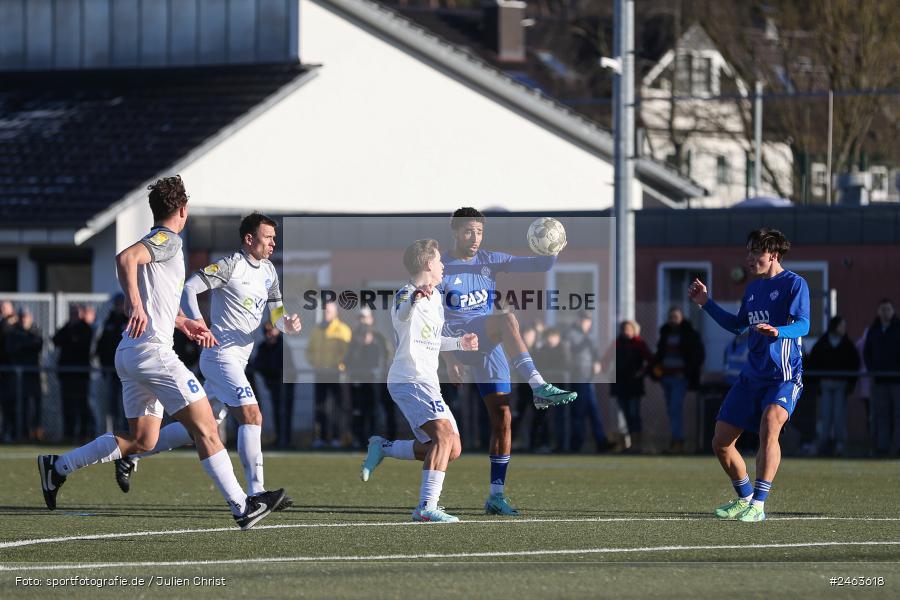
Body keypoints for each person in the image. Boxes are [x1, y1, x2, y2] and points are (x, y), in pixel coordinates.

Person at [37, 175, 284, 530]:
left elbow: (158, 298)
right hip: (154, 353)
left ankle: (58, 467)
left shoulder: (161, 242)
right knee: (207, 428)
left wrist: (183, 322)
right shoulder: (168, 240)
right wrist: (134, 304)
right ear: (182, 210)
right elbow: (125, 259)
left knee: (143, 439)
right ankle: (242, 507)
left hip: (132, 353)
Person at [114, 212, 302, 508]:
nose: (273, 243)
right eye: (268, 237)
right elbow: (190, 287)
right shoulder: (230, 266)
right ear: (249, 239)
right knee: (252, 415)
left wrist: (285, 324)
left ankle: (132, 454)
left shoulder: (268, 272)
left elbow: (277, 312)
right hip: (220, 356)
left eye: (274, 238)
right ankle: (256, 493)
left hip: (238, 361)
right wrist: (199, 324)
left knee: (200, 428)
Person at [440, 207, 576, 516]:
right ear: (455, 232)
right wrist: (448, 358)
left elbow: (539, 265)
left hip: (489, 345)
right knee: (507, 319)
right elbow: (432, 319)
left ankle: (496, 496)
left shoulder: (489, 260)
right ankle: (538, 385)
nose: (474, 238)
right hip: (462, 337)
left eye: (479, 232)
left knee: (503, 417)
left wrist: (554, 248)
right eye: (468, 231)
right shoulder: (441, 267)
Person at [690, 227, 810, 522]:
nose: (749, 257)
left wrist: (779, 331)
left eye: (756, 251)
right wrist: (707, 304)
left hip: (783, 376)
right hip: (751, 377)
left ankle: (758, 503)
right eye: (748, 251)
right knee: (721, 442)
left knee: (770, 424)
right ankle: (744, 499)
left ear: (774, 254)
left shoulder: (795, 284)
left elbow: (804, 325)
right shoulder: (753, 289)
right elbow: (738, 326)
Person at [360, 239, 477, 522]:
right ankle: (426, 506)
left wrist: (460, 343)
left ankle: (384, 447)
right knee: (443, 437)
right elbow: (402, 311)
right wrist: (414, 299)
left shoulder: (435, 297)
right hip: (409, 379)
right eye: (439, 261)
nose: (443, 265)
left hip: (427, 381)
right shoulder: (405, 294)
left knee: (453, 448)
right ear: (427, 264)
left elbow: (433, 340)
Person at [655, 307, 705, 454]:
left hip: (680, 378)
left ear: (682, 318)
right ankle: (675, 440)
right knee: (671, 410)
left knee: (675, 409)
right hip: (666, 378)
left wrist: (687, 371)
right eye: (671, 317)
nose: (673, 320)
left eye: (676, 317)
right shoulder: (665, 333)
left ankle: (678, 442)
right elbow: (660, 353)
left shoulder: (690, 334)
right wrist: (656, 371)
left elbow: (698, 355)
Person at [808, 316, 859, 456]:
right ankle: (823, 443)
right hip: (825, 384)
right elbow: (814, 361)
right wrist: (816, 382)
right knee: (825, 415)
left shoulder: (847, 344)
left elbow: (854, 363)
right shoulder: (823, 343)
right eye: (841, 326)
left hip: (841, 384)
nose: (843, 329)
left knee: (839, 415)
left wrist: (850, 384)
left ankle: (839, 444)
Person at [602, 320, 653, 453]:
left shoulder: (639, 343)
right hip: (620, 384)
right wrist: (608, 375)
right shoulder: (616, 343)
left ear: (634, 330)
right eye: (624, 329)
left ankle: (636, 444)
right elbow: (605, 360)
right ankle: (625, 443)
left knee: (633, 413)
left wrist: (642, 372)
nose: (626, 331)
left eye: (628, 329)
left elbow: (650, 360)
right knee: (623, 416)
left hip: (634, 385)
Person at [565, 311, 612, 453]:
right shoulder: (570, 335)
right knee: (578, 412)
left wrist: (597, 363)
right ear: (578, 320)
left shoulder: (590, 338)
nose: (587, 323)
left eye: (589, 321)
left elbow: (596, 356)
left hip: (588, 380)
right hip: (578, 380)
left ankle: (601, 442)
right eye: (585, 320)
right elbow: (566, 356)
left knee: (594, 412)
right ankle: (577, 444)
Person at [306, 301, 352, 448]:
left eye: (329, 311)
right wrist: (316, 364)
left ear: (335, 312)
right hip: (320, 373)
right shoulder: (316, 330)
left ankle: (337, 438)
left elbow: (346, 352)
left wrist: (334, 365)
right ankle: (321, 438)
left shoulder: (343, 329)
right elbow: (309, 351)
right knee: (320, 406)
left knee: (338, 407)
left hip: (336, 373)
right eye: (325, 311)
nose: (326, 314)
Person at [345, 307, 392, 447]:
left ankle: (379, 439)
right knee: (358, 412)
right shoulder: (353, 338)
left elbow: (387, 357)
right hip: (358, 382)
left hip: (377, 382)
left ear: (371, 318)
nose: (362, 321)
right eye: (359, 318)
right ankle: (359, 440)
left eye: (365, 317)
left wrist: (380, 373)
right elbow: (349, 360)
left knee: (376, 411)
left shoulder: (379, 337)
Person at [53, 305, 96, 442]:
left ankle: (85, 432)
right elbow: (56, 340)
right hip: (66, 375)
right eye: (71, 314)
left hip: (80, 374)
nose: (74, 317)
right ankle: (68, 433)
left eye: (76, 314)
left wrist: (71, 338)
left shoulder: (85, 328)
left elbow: (81, 345)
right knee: (67, 405)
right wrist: (70, 333)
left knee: (82, 405)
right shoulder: (67, 328)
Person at [863, 298, 900, 457]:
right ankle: (882, 447)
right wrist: (872, 370)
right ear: (879, 311)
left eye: (888, 309)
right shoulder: (874, 330)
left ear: (893, 311)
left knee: (898, 415)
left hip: (897, 381)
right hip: (879, 380)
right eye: (883, 309)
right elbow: (867, 352)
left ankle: (897, 447)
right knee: (881, 415)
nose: (886, 312)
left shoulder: (898, 328)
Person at [7, 309, 44, 441]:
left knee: (34, 405)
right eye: (22, 316)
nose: (24, 319)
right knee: (19, 406)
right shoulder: (14, 332)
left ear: (31, 317)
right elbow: (11, 348)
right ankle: (21, 433)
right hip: (18, 377)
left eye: (26, 316)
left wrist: (23, 344)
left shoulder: (35, 331)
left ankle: (35, 432)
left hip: (33, 375)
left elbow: (37, 344)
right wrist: (26, 344)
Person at [96, 294, 129, 432]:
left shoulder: (129, 321)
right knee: (112, 404)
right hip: (112, 371)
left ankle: (128, 430)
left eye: (121, 303)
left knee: (127, 403)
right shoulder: (108, 322)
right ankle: (116, 431)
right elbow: (101, 346)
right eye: (117, 304)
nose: (118, 307)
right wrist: (104, 366)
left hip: (127, 371)